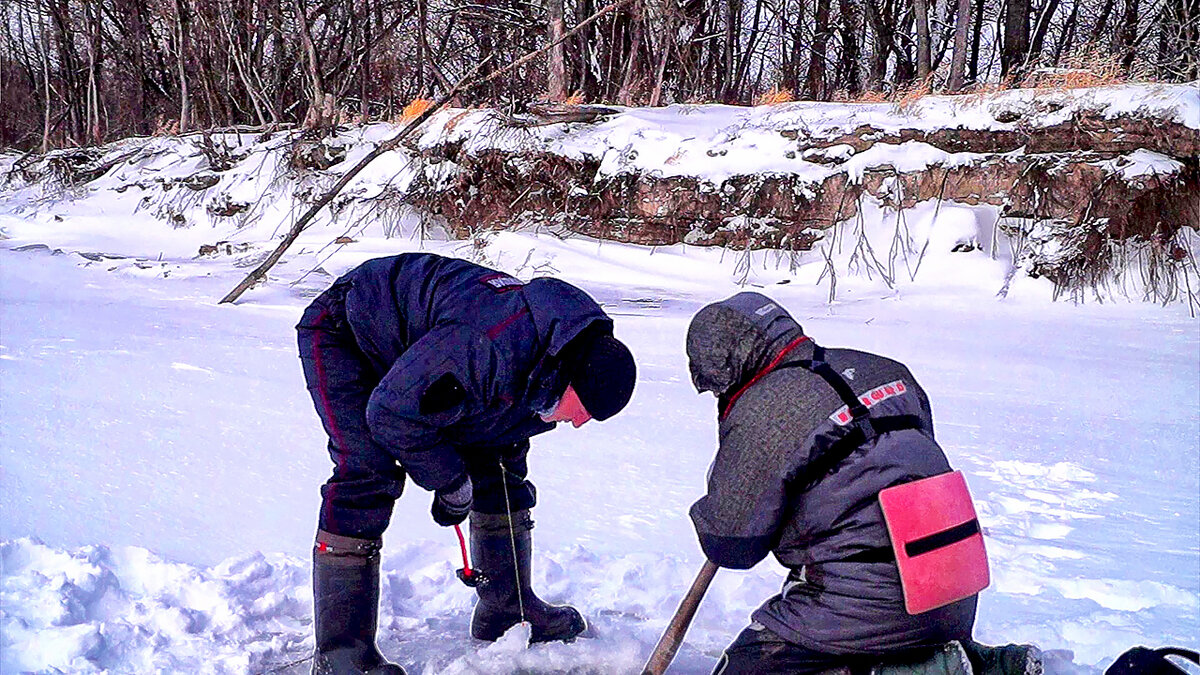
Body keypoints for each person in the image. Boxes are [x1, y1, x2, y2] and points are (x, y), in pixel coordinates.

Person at [296, 252, 636, 675]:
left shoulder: (549, 356)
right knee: (368, 471)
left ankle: (507, 611)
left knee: (501, 459)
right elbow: (391, 413)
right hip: (347, 330)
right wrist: (451, 482)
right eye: (583, 409)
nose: (581, 423)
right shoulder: (487, 347)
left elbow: (493, 432)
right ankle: (342, 655)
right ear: (569, 380)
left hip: (428, 355)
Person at [684, 292, 978, 675]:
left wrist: (722, 491)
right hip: (956, 581)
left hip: (874, 598)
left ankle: (907, 671)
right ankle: (977, 661)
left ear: (726, 367)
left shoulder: (763, 413)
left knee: (744, 668)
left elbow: (732, 544)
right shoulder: (889, 370)